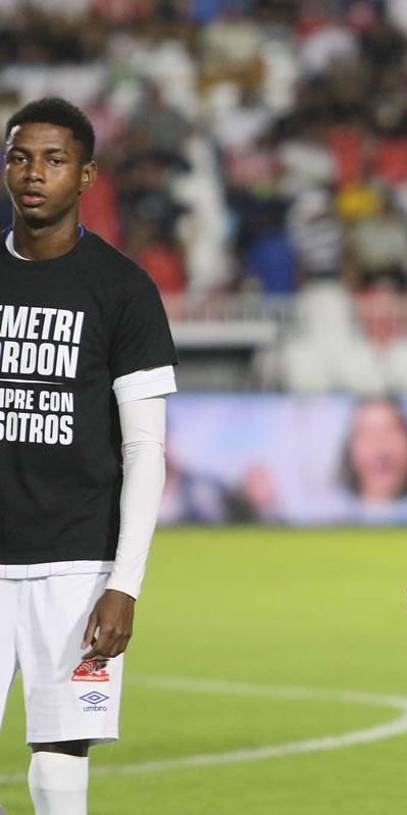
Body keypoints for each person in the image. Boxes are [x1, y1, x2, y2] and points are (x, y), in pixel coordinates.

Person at [0, 98, 177, 814]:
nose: (33, 173)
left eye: (54, 159)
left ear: (86, 176)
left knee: (60, 756)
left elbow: (146, 449)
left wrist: (124, 584)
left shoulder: (122, 288)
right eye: (19, 157)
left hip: (78, 565)